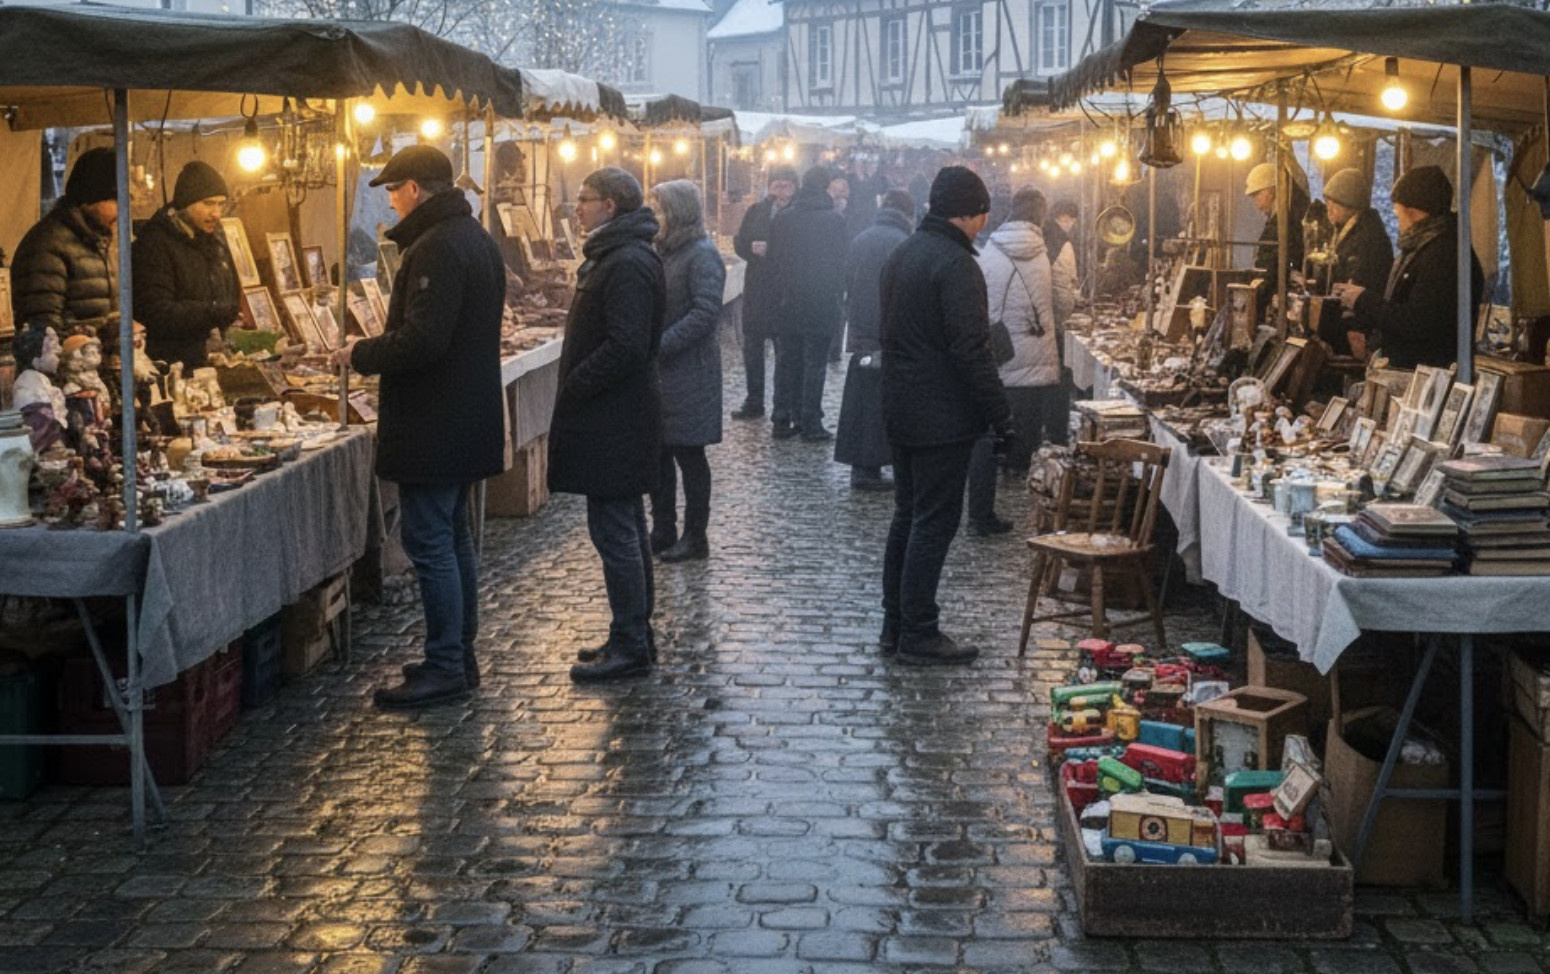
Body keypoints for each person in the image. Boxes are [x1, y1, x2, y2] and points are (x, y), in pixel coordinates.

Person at [331, 145, 506, 709]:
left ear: (415, 188)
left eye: (393, 189)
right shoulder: (472, 237)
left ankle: (447, 664)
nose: (390, 201)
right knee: (452, 540)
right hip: (462, 417)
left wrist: (359, 353)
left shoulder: (437, 246)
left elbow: (425, 340)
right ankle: (457, 655)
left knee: (432, 543)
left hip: (437, 421)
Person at [879, 166, 1012, 666]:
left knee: (908, 516)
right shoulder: (957, 265)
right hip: (941, 415)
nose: (983, 224)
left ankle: (895, 626)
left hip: (902, 407)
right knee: (933, 523)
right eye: (982, 215)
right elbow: (972, 349)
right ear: (969, 214)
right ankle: (918, 631)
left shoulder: (904, 253)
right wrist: (1001, 416)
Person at [549, 167, 667, 682]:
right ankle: (631, 634)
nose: (577, 207)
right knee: (623, 527)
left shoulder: (627, 262)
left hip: (615, 418)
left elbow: (626, 345)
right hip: (616, 416)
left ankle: (631, 643)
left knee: (617, 532)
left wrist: (577, 381)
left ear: (611, 205)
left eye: (585, 199)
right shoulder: (619, 255)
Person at [647, 180, 726, 563]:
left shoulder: (701, 255)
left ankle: (695, 536)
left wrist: (661, 344)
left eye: (659, 208)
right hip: (662, 373)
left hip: (690, 371)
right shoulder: (664, 252)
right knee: (659, 453)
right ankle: (663, 529)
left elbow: (705, 312)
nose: (654, 215)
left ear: (676, 212)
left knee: (689, 456)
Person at [1336, 165, 1483, 369]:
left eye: (1398, 214)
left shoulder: (1443, 256)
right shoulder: (1425, 248)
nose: (1398, 223)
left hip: (1428, 373)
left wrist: (1363, 300)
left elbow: (1417, 322)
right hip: (1411, 368)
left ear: (1413, 213)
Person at [978, 187, 1060, 478]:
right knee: (1030, 408)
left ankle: (1001, 455)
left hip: (1001, 344)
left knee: (1003, 402)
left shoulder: (989, 251)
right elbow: (1062, 298)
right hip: (1036, 342)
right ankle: (1021, 462)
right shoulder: (1045, 252)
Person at [835, 189, 913, 491]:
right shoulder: (904, 243)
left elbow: (846, 282)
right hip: (890, 334)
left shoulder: (861, 239)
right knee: (883, 402)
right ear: (908, 214)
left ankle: (862, 465)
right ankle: (872, 467)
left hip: (861, 331)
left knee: (860, 400)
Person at [131, 161, 242, 368]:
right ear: (186, 203)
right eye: (208, 203)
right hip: (168, 365)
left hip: (204, 361)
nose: (216, 213)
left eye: (221, 204)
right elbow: (156, 311)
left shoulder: (212, 241)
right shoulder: (154, 245)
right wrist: (213, 311)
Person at [766, 165, 849, 441]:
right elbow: (841, 264)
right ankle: (810, 421)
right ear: (825, 187)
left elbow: (773, 261)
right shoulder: (834, 221)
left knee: (786, 361)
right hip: (821, 301)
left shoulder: (783, 219)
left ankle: (781, 419)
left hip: (787, 301)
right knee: (815, 364)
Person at [10, 147, 118, 343]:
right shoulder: (47, 246)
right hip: (67, 361)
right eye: (114, 200)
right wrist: (81, 347)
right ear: (90, 198)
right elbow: (42, 331)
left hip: (95, 358)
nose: (121, 211)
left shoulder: (97, 240)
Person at [730, 165, 798, 419]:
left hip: (783, 289)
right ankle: (754, 400)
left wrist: (774, 251)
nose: (780, 190)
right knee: (753, 348)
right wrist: (750, 249)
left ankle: (784, 404)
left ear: (795, 188)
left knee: (784, 351)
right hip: (757, 287)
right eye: (776, 184)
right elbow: (739, 241)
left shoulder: (797, 213)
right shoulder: (756, 210)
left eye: (786, 185)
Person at [1318, 168, 1394, 355]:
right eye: (1328, 204)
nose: (1329, 210)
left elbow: (1359, 282)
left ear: (1351, 206)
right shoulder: (1349, 232)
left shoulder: (1366, 238)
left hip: (1359, 327)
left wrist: (1353, 326)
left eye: (1335, 205)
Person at [1245, 160, 1309, 280]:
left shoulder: (1284, 224)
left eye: (1257, 194)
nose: (1255, 201)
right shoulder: (1278, 222)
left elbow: (1280, 265)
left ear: (1272, 190)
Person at [827, 172, 854, 363]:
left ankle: (835, 348)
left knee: (840, 309)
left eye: (841, 192)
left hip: (843, 268)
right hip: (828, 267)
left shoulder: (851, 215)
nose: (838, 195)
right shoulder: (826, 215)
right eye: (834, 191)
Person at [1044, 199, 1081, 329]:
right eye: (1071, 221)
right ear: (1064, 218)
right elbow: (1062, 285)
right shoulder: (1063, 243)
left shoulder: (1040, 234)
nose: (1071, 225)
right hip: (1055, 309)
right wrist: (1066, 316)